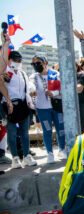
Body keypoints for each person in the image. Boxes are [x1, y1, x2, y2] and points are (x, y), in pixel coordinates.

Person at [0, 33, 37, 168]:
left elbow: (28, 87)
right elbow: (1, 83)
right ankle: (15, 158)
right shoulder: (5, 72)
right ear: (9, 60)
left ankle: (26, 156)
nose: (18, 62)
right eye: (15, 60)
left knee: (24, 133)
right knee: (12, 132)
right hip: (9, 106)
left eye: (20, 60)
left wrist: (31, 101)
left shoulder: (22, 73)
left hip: (23, 105)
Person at [29, 55, 66, 164]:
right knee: (47, 131)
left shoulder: (55, 74)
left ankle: (62, 149)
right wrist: (32, 90)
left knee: (61, 129)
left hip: (56, 107)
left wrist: (53, 93)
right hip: (43, 109)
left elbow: (62, 89)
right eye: (33, 64)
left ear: (45, 63)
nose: (36, 66)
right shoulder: (34, 77)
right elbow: (31, 85)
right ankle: (50, 153)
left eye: (38, 63)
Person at [76, 62, 84, 132]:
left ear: (77, 67)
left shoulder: (81, 76)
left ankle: (81, 143)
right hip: (69, 106)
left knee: (81, 128)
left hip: (81, 105)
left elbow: (79, 89)